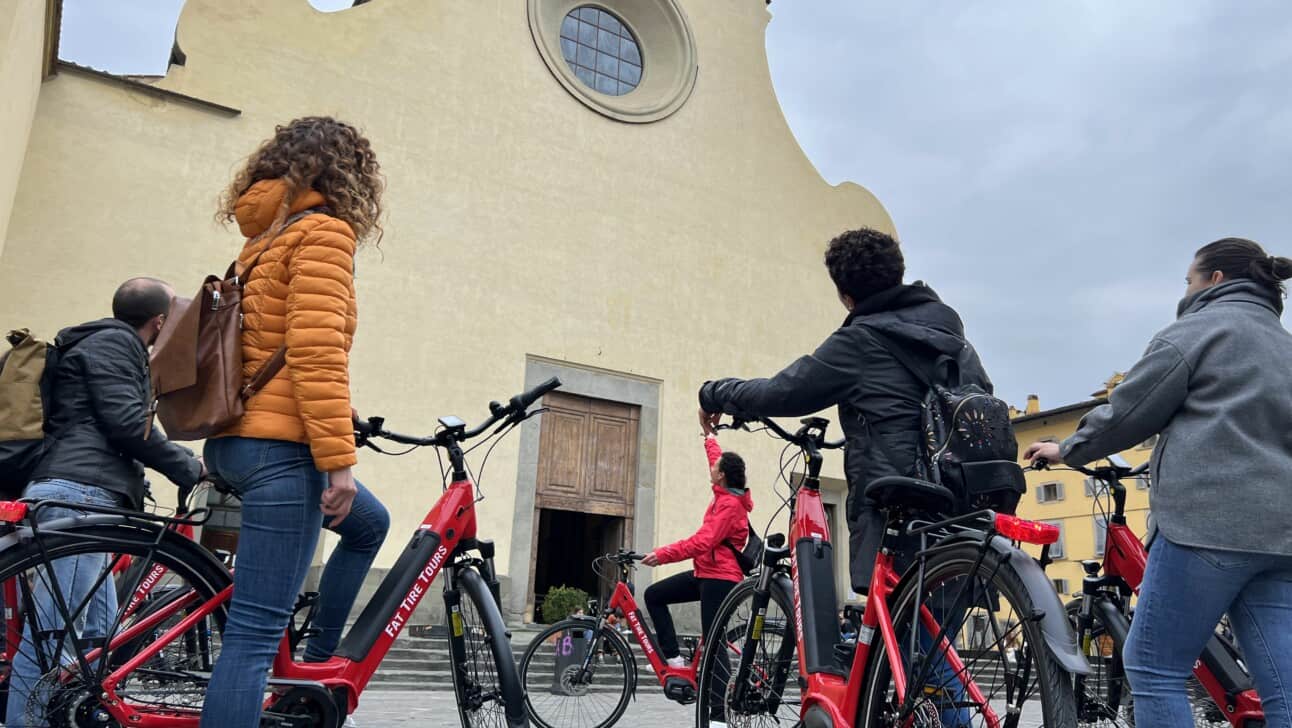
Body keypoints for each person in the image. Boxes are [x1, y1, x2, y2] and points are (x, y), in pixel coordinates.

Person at [1025, 237, 1292, 728]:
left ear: (1214, 280)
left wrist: (1068, 448)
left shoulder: (1195, 332)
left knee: (1155, 669)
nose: (1185, 289)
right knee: (1283, 688)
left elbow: (1130, 411)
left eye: (1189, 279)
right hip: (1281, 536)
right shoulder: (1286, 348)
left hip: (1205, 525)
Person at [200, 117, 390, 727]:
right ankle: (295, 665)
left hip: (232, 438)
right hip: (278, 452)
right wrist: (338, 463)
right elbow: (315, 350)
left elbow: (269, 348)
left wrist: (342, 417)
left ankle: (317, 658)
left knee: (369, 524)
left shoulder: (257, 244)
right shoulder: (326, 234)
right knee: (254, 635)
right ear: (348, 174)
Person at [696, 228, 992, 594]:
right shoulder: (957, 342)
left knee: (894, 625)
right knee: (932, 627)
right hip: (969, 503)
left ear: (846, 295)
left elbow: (782, 393)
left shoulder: (860, 341)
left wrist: (713, 394)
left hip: (899, 501)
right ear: (898, 274)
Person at [7, 278, 206, 727]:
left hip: (87, 495)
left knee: (97, 639)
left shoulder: (98, 343)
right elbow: (126, 422)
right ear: (159, 322)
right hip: (79, 495)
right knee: (56, 633)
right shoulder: (114, 345)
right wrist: (187, 466)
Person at [641, 409, 752, 670]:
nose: (712, 468)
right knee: (654, 595)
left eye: (716, 468)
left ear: (722, 475)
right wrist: (708, 433)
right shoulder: (724, 493)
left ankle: (716, 710)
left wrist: (663, 555)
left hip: (720, 579)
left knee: (714, 644)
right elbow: (715, 457)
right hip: (706, 573)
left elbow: (702, 542)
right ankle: (674, 659)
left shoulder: (730, 506)